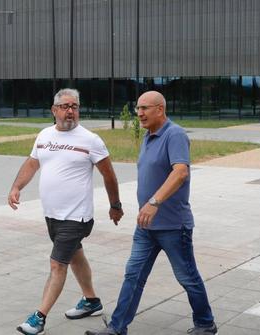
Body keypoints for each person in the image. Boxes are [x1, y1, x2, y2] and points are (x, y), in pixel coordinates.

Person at [87, 90, 216, 335]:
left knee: (187, 277)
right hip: (146, 226)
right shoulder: (148, 136)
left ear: (160, 109)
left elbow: (180, 173)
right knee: (133, 275)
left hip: (173, 226)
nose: (139, 113)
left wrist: (154, 202)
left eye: (145, 108)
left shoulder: (174, 134)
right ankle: (117, 328)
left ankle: (205, 323)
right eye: (137, 108)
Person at [9, 88, 124, 335]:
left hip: (76, 216)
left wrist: (115, 206)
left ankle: (38, 318)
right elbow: (32, 163)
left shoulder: (90, 140)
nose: (70, 111)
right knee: (74, 256)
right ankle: (92, 301)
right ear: (54, 110)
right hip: (52, 214)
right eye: (65, 106)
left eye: (74, 106)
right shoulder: (44, 135)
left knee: (57, 264)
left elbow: (109, 176)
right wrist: (17, 186)